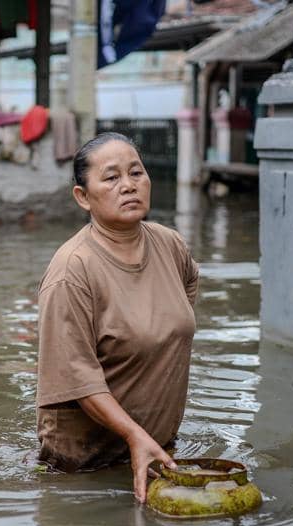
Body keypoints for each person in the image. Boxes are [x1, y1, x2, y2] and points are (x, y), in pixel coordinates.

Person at [36, 132, 199, 502]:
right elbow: (77, 378)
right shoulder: (72, 271)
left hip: (158, 450)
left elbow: (186, 296)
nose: (128, 185)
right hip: (84, 471)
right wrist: (133, 435)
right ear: (83, 197)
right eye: (111, 178)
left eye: (136, 173)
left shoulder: (170, 245)